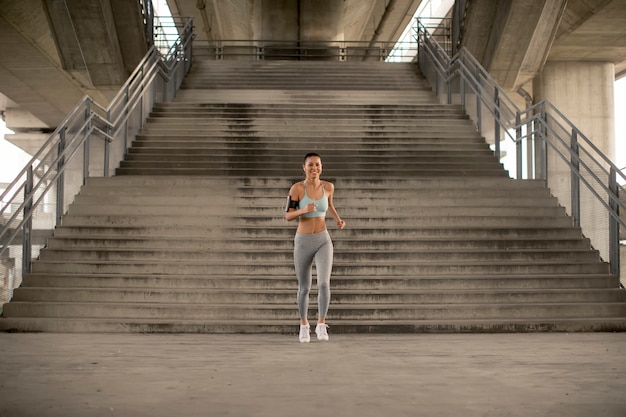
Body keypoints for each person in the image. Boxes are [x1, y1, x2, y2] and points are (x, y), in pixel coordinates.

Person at [285, 152, 346, 343]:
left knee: (324, 283)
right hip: (303, 241)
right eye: (310, 165)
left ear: (321, 166)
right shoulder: (297, 189)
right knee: (304, 287)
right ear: (304, 167)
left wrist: (338, 219)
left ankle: (321, 324)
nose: (314, 168)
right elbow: (288, 215)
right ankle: (304, 325)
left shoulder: (328, 187)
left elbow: (329, 204)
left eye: (317, 165)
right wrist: (304, 210)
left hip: (323, 240)